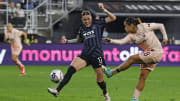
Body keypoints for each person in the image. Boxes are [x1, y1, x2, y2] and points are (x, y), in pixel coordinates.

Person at [47, 3, 116, 101]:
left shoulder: (98, 24)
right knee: (71, 70)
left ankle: (106, 94)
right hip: (85, 55)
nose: (86, 21)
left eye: (88, 19)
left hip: (97, 55)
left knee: (100, 81)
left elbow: (113, 18)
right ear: (82, 20)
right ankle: (57, 90)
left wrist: (104, 9)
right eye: (84, 20)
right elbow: (78, 40)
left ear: (91, 18)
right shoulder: (82, 29)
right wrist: (67, 41)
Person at [103, 17, 168, 101]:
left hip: (156, 52)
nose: (125, 28)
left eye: (126, 26)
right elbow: (121, 42)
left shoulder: (145, 26)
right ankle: (135, 98)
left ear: (132, 25)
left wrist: (165, 38)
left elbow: (161, 26)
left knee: (132, 58)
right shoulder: (131, 36)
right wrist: (111, 41)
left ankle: (111, 73)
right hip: (149, 54)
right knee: (142, 77)